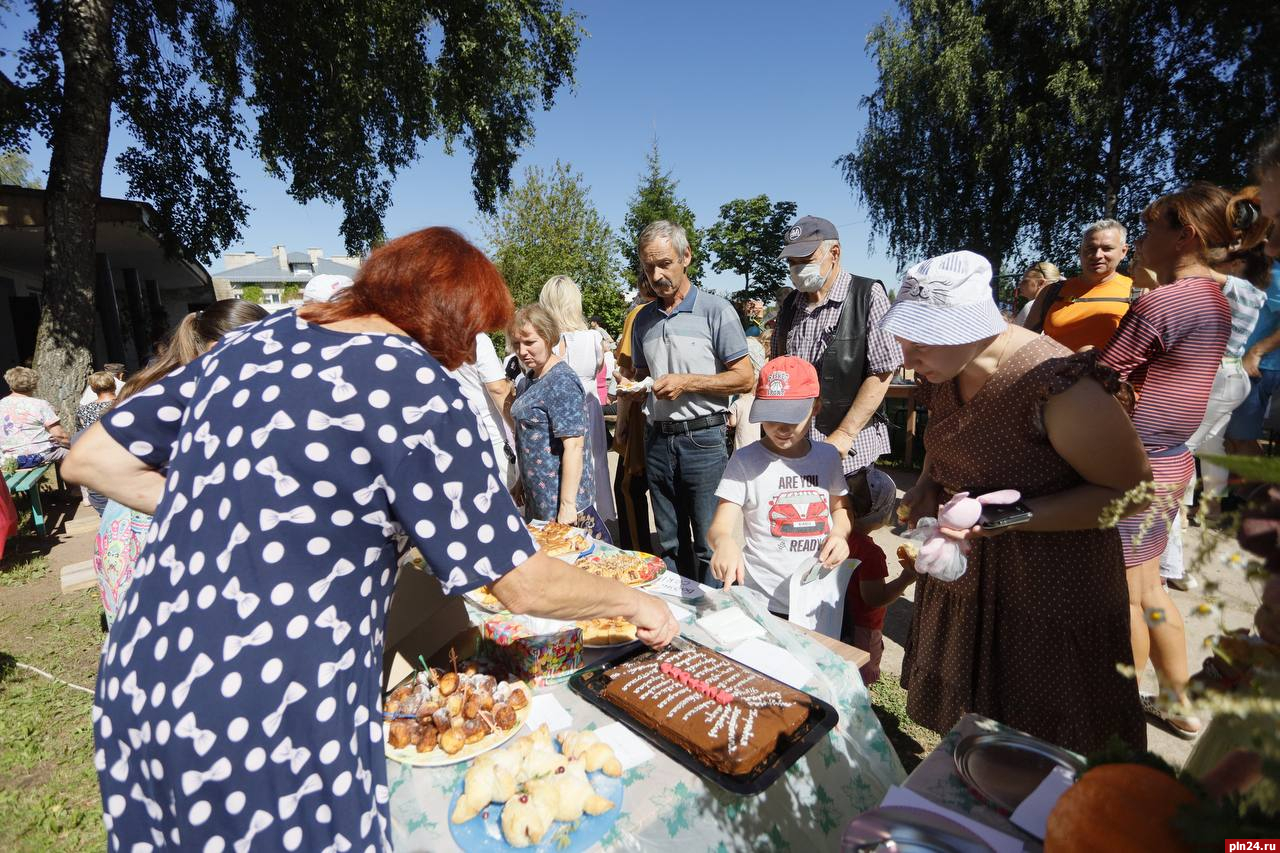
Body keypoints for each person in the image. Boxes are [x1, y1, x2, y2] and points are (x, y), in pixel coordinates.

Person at [64, 227, 678, 852]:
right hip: (273, 706)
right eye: (470, 336)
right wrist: (635, 603)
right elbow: (517, 580)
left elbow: (92, 460)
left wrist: (255, 507)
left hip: (139, 681)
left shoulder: (250, 343)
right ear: (443, 316)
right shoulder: (415, 386)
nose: (467, 357)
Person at [887, 249, 1150, 755]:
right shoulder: (944, 370)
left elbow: (1133, 493)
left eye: (922, 341)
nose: (908, 357)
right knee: (976, 741)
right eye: (906, 338)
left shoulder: (1055, 383)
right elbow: (949, 438)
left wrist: (1007, 517)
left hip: (1049, 583)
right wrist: (926, 484)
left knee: (1048, 743)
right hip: (968, 572)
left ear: (973, 326)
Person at [1099, 183, 1235, 738]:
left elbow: (1103, 376)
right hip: (1172, 462)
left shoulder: (1159, 302)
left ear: (1187, 235)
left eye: (1153, 227)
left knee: (1124, 596)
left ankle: (1116, 708)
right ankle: (1179, 702)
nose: (1143, 237)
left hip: (1133, 465)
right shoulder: (1214, 301)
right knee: (1150, 587)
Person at [90, 300, 270, 624]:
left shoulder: (154, 382)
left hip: (135, 522)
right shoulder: (192, 393)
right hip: (158, 529)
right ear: (218, 347)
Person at [622, 220, 753, 583]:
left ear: (686, 257)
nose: (656, 274)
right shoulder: (643, 320)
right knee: (668, 544)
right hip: (658, 440)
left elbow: (745, 378)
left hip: (704, 440)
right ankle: (674, 629)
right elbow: (643, 376)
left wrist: (688, 383)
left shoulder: (716, 310)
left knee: (711, 544)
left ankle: (714, 628)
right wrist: (628, 385)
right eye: (649, 267)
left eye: (664, 263)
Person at [1160, 187, 1272, 587]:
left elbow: (1196, 270)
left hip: (1210, 379)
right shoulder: (1250, 294)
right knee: (1196, 452)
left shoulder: (1228, 289)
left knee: (1168, 462)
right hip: (1226, 380)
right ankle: (1195, 515)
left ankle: (1169, 563)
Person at [772, 215, 904, 524]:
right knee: (805, 533)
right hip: (799, 447)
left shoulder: (865, 295)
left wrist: (845, 433)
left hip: (848, 448)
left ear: (835, 253)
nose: (797, 268)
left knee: (851, 540)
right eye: (792, 261)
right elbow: (780, 369)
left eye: (806, 258)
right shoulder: (790, 304)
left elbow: (883, 370)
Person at [707, 356, 851, 614]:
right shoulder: (745, 461)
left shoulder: (827, 458)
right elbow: (719, 527)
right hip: (762, 599)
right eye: (771, 417)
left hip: (818, 595)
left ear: (816, 407)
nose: (781, 428)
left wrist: (840, 535)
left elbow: (840, 510)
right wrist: (724, 543)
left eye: (792, 418)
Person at [508, 304, 606, 538]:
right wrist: (522, 481)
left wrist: (567, 505)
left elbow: (574, 445)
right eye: (517, 344)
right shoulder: (527, 380)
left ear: (549, 337)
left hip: (560, 501)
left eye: (530, 342)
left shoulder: (561, 381)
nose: (522, 351)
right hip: (539, 498)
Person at [539, 275, 615, 526]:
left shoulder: (551, 342)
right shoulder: (593, 338)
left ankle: (569, 513)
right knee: (594, 462)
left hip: (562, 411)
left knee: (565, 462)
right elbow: (599, 366)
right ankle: (596, 514)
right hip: (590, 407)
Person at [842, 467, 916, 686]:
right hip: (862, 629)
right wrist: (907, 578)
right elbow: (874, 597)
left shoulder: (836, 534)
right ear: (883, 513)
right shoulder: (870, 553)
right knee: (857, 677)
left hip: (837, 620)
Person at [1026, 220, 1133, 350]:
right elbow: (1024, 344)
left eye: (1107, 248)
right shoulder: (1052, 292)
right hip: (1055, 370)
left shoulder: (1136, 293)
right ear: (1080, 251)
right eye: (1090, 248)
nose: (1097, 255)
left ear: (1123, 251)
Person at [613, 278, 656, 552]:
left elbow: (626, 375)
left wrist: (621, 424)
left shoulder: (638, 315)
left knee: (628, 488)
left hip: (643, 416)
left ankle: (637, 555)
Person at [448, 333, 518, 489]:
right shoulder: (476, 338)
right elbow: (498, 389)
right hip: (488, 436)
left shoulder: (424, 337)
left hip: (449, 438)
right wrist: (517, 430)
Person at [0, 366, 70, 466]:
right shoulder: (40, 404)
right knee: (72, 455)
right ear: (34, 384)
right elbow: (59, 435)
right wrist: (73, 445)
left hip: (9, 458)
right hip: (36, 455)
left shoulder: (1, 404)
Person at [75, 371, 121, 515]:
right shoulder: (129, 404)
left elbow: (81, 434)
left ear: (93, 389)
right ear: (114, 385)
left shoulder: (83, 411)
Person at [1012, 261, 1061, 327]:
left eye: (1025, 281)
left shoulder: (1031, 307)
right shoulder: (1061, 304)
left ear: (1040, 283)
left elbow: (1015, 336)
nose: (1020, 284)